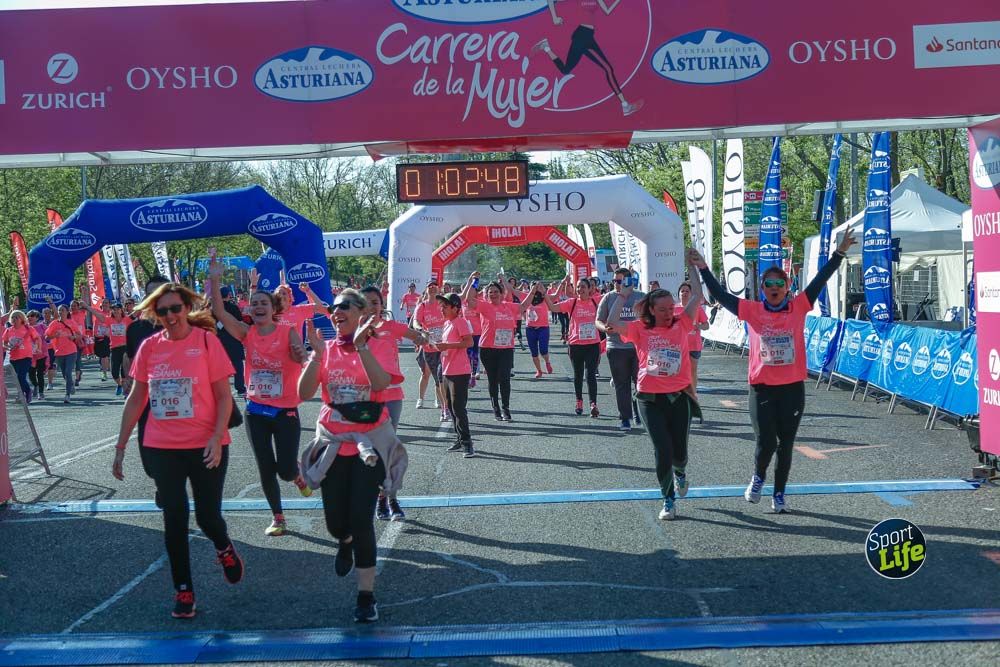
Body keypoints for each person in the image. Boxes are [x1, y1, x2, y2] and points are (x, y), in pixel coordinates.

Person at [690, 228, 857, 514]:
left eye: (780, 282)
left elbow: (820, 279)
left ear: (787, 285)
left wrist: (839, 253)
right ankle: (758, 476)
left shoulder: (799, 306)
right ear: (763, 287)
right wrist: (703, 266)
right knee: (766, 441)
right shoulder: (751, 310)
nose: (774, 287)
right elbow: (718, 293)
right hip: (762, 387)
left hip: (792, 388)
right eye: (769, 283)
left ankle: (779, 494)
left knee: (786, 443)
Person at [112, 283, 244, 619]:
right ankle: (183, 591)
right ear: (155, 314)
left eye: (175, 308)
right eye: (163, 311)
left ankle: (223, 546)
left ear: (186, 308)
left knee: (208, 517)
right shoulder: (150, 347)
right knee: (174, 519)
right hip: (162, 445)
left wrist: (216, 437)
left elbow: (224, 396)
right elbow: (137, 398)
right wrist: (121, 445)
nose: (170, 316)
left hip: (206, 443)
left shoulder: (205, 341)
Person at [298, 289, 404, 623]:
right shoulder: (326, 348)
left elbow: (382, 383)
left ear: (362, 313)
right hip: (333, 443)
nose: (336, 311)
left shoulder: (378, 343)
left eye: (344, 306)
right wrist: (315, 356)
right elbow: (303, 393)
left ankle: (366, 597)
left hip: (368, 446)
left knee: (361, 520)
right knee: (335, 523)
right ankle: (342, 540)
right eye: (333, 308)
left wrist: (360, 346)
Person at [210, 261, 311, 537]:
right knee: (265, 468)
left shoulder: (286, 331)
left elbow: (298, 351)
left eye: (263, 303)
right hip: (256, 411)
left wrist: (301, 355)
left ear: (273, 308)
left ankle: (297, 474)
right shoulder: (246, 334)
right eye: (254, 303)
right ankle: (278, 517)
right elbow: (218, 311)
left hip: (285, 410)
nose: (257, 306)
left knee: (285, 470)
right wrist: (215, 280)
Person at [608, 262, 704, 520]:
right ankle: (668, 499)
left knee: (679, 451)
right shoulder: (640, 328)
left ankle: (681, 471)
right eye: (661, 310)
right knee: (662, 449)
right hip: (649, 398)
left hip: (678, 396)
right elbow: (613, 322)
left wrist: (694, 267)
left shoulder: (682, 323)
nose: (667, 313)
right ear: (650, 309)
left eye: (670, 308)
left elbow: (697, 295)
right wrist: (623, 296)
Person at [359, 286, 427, 522]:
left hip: (392, 395)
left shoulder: (391, 327)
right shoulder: (354, 332)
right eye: (367, 302)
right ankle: (378, 495)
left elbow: (415, 334)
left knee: (388, 450)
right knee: (373, 452)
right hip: (366, 397)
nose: (372, 307)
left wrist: (422, 337)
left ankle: (390, 498)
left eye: (376, 302)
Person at [532, 0, 642, 116]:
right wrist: (554, 17)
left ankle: (546, 47)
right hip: (582, 36)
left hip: (587, 36)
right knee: (608, 69)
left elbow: (607, 11)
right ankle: (625, 106)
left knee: (565, 70)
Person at [466, 274, 530, 421]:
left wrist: (532, 292)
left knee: (505, 378)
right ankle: (496, 408)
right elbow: (469, 300)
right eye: (490, 292)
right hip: (488, 349)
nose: (493, 294)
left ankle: (506, 408)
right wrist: (474, 282)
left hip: (506, 349)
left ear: (502, 294)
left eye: (496, 292)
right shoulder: (485, 306)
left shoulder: (510, 307)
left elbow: (525, 306)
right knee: (493, 380)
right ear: (487, 295)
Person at [597, 268, 645, 431]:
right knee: (621, 385)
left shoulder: (640, 296)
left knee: (641, 383)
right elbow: (598, 320)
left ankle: (640, 413)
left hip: (638, 347)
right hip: (616, 346)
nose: (615, 284)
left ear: (628, 281)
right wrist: (605, 328)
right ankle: (625, 418)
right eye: (614, 281)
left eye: (619, 281)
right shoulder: (609, 297)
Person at [435, 292, 475, 457]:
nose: (441, 309)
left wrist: (447, 345)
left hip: (460, 371)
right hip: (447, 370)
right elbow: (447, 346)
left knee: (458, 408)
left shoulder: (461, 322)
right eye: (441, 306)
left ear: (455, 308)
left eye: (445, 306)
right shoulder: (447, 323)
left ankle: (468, 444)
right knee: (451, 407)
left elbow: (469, 342)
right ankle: (459, 439)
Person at [558, 276, 603, 417]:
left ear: (590, 289)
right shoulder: (571, 303)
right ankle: (579, 401)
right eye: (578, 286)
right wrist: (542, 292)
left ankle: (593, 404)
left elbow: (614, 297)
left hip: (593, 345)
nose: (580, 289)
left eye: (583, 286)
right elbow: (552, 306)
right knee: (578, 375)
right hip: (576, 345)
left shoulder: (597, 300)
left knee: (590, 375)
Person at [411, 281, 448, 420]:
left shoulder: (443, 304)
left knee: (440, 377)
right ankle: (421, 398)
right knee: (426, 374)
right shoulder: (422, 305)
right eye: (429, 286)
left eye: (434, 286)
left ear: (438, 289)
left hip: (443, 346)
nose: (432, 288)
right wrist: (421, 329)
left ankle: (442, 405)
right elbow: (415, 322)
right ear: (426, 290)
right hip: (428, 347)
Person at [676, 282, 710, 400]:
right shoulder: (674, 309)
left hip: (693, 345)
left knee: (692, 370)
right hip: (677, 346)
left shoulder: (697, 308)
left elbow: (707, 325)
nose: (684, 293)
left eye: (687, 291)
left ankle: (692, 394)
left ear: (691, 294)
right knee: (678, 370)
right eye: (682, 291)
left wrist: (698, 326)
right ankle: (679, 393)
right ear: (679, 294)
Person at [44, 301, 83, 403]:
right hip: (59, 352)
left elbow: (80, 335)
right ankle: (70, 386)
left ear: (67, 312)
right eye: (59, 310)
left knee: (68, 372)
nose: (61, 312)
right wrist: (54, 336)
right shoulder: (54, 323)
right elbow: (46, 337)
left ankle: (67, 395)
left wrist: (73, 336)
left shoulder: (71, 322)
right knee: (64, 374)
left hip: (71, 351)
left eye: (63, 310)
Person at [3, 310, 41, 403]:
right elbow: (4, 343)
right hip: (13, 357)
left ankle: (24, 394)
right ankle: (25, 392)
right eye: (13, 317)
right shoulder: (8, 330)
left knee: (21, 376)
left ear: (21, 319)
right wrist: (8, 347)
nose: (14, 319)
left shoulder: (28, 329)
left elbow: (37, 338)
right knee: (16, 378)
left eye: (17, 317)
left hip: (26, 356)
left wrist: (37, 346)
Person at [524, 281, 560, 379]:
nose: (536, 288)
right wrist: (503, 280)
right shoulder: (526, 298)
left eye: (538, 287)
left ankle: (547, 362)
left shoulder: (545, 298)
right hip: (530, 329)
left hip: (543, 328)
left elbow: (556, 296)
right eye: (534, 287)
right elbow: (512, 291)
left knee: (543, 350)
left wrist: (563, 283)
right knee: (534, 352)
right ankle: (539, 370)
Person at [80, 295, 113, 382]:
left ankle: (104, 372)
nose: (105, 304)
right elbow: (87, 307)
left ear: (109, 305)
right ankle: (105, 366)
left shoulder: (112, 314)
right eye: (103, 303)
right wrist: (84, 294)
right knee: (101, 355)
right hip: (97, 337)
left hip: (107, 337)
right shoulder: (98, 312)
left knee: (104, 356)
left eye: (106, 303)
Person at [27, 310, 48, 400]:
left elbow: (48, 335)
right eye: (28, 316)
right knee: (31, 373)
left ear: (37, 318)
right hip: (29, 355)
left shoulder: (41, 326)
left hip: (41, 353)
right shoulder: (25, 328)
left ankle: (41, 392)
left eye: (32, 316)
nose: (30, 317)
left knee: (40, 374)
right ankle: (35, 385)